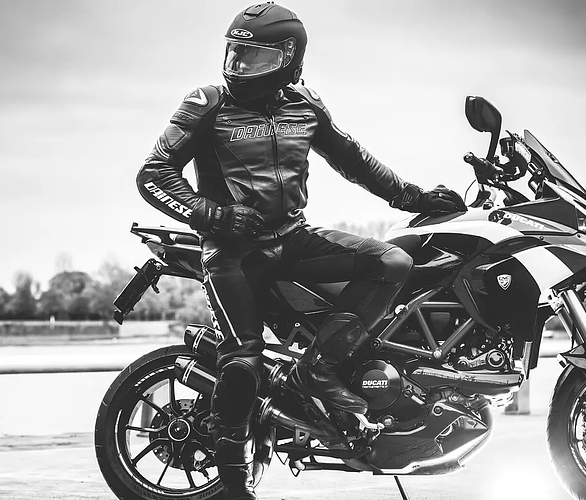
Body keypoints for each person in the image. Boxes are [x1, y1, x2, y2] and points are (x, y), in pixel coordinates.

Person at [136, 3, 466, 498]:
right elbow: (153, 174)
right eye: (236, 54)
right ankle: (233, 484)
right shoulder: (206, 103)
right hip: (231, 253)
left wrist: (414, 197)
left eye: (254, 57)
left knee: (394, 261)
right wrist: (215, 216)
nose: (239, 66)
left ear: (289, 58)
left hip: (293, 237)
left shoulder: (305, 104)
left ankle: (317, 369)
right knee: (242, 361)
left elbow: (355, 160)